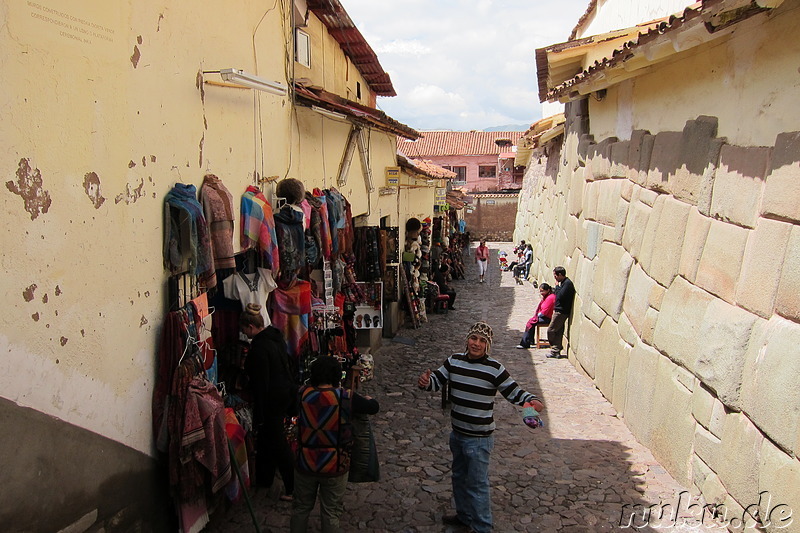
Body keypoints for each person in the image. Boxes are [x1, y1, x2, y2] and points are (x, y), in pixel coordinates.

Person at [417, 322, 544, 533]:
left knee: (477, 485)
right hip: (457, 435)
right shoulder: (454, 361)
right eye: (474, 338)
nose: (476, 343)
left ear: (488, 345)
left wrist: (532, 401)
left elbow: (514, 392)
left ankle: (482, 527)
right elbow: (435, 382)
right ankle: (464, 516)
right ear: (467, 339)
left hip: (479, 439)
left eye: (482, 341)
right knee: (458, 478)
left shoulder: (494, 369)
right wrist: (424, 381)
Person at [290, 356, 379, 532]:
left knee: (301, 508)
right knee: (331, 512)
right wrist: (368, 399)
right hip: (335, 463)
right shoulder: (345, 397)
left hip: (306, 462)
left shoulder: (302, 394)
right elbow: (374, 407)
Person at [240, 303, 297, 501]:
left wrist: (260, 413)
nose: (243, 332)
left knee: (278, 442)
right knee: (267, 440)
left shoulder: (259, 349)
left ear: (250, 326)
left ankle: (293, 488)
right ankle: (265, 478)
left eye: (244, 329)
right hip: (284, 393)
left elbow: (261, 383)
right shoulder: (276, 338)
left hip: (273, 399)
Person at [547, 266, 576, 359]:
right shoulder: (563, 283)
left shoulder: (567, 284)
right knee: (559, 332)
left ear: (560, 275)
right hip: (560, 310)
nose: (554, 277)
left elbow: (560, 296)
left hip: (561, 312)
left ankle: (555, 347)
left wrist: (556, 287)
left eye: (555, 275)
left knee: (551, 330)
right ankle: (556, 351)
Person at [516, 283, 556, 349]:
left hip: (547, 318)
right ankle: (530, 340)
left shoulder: (550, 298)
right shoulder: (547, 297)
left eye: (542, 291)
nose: (541, 293)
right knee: (531, 321)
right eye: (540, 291)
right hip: (545, 316)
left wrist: (537, 316)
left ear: (548, 290)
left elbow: (544, 311)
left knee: (531, 322)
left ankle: (525, 343)